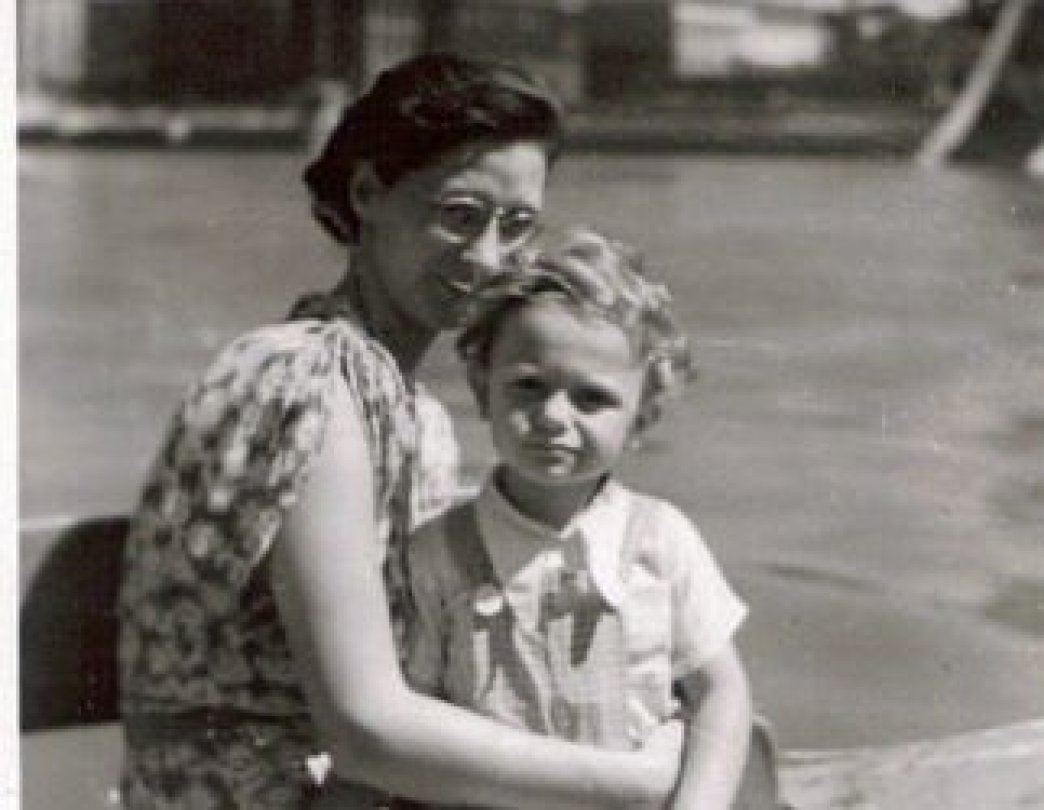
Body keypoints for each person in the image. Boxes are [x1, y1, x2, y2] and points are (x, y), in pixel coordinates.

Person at [116, 53, 684, 808]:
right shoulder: (301, 381)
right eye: (458, 215)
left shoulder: (414, 412)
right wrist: (634, 782)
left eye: (517, 227)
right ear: (368, 192)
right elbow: (362, 730)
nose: (487, 259)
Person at [326, 227, 753, 809]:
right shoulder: (438, 555)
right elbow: (403, 723)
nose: (553, 417)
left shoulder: (659, 539)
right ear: (482, 389)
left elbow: (719, 692)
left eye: (591, 399)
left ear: (642, 415)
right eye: (528, 387)